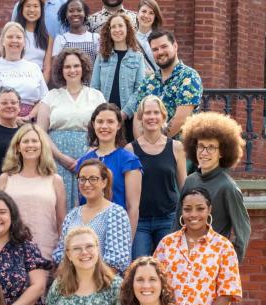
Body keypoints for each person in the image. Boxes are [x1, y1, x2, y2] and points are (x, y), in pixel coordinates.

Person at [173, 111, 251, 262]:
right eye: (201, 146)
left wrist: (228, 263)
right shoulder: (190, 181)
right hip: (185, 260)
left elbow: (243, 231)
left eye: (211, 147)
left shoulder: (228, 187)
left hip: (212, 262)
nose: (204, 152)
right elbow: (177, 221)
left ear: (222, 152)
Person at [37, 48, 105, 210]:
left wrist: (87, 155)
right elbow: (40, 131)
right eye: (67, 67)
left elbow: (103, 128)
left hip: (89, 157)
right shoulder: (51, 96)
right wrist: (60, 157)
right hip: (56, 159)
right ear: (61, 70)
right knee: (58, 203)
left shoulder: (96, 96)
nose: (72, 70)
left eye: (76, 66)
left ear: (83, 68)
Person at [126, 95, 186, 258]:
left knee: (168, 268)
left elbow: (184, 188)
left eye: (156, 113)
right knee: (139, 265)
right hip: (140, 221)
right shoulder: (130, 150)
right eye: (147, 113)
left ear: (163, 116)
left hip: (168, 218)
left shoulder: (176, 147)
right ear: (140, 117)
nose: (152, 117)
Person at [0, 124, 66, 262]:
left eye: (35, 141)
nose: (30, 145)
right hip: (10, 252)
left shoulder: (55, 180)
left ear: (42, 145)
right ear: (17, 147)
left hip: (46, 252)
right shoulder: (5, 178)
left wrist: (61, 255)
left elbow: (61, 222)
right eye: (25, 141)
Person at [53, 159, 132, 273]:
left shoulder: (116, 213)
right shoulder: (72, 215)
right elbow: (61, 253)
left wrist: (88, 283)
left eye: (93, 179)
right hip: (71, 283)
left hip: (103, 284)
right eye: (82, 179)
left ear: (104, 182)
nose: (86, 184)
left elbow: (116, 261)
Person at [77, 103, 142, 237]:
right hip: (87, 232)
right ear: (93, 124)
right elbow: (79, 202)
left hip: (116, 232)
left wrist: (127, 241)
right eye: (100, 121)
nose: (104, 126)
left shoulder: (129, 161)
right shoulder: (83, 161)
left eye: (110, 122)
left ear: (118, 125)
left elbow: (133, 207)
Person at [0, 22, 49, 127]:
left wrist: (28, 117)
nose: (14, 40)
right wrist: (7, 115)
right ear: (3, 41)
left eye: (18, 37)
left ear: (24, 43)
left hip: (27, 124)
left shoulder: (34, 68)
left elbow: (44, 99)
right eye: (9, 37)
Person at [134, 30, 203, 139]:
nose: (160, 52)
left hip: (179, 151)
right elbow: (138, 117)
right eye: (155, 49)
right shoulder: (148, 81)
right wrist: (142, 145)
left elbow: (180, 119)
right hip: (147, 150)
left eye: (164, 46)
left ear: (175, 46)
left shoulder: (189, 76)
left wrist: (157, 144)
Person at [91, 12, 145, 142]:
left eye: (120, 26)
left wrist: (125, 113)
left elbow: (140, 89)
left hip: (128, 119)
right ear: (109, 31)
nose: (117, 30)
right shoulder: (102, 56)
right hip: (105, 120)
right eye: (113, 27)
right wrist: (103, 112)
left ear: (127, 29)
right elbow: (94, 87)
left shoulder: (137, 57)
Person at [14, 0, 54, 82]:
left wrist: (39, 89)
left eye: (36, 6)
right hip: (14, 79)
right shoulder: (14, 33)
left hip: (37, 83)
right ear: (22, 9)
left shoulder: (47, 38)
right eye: (28, 6)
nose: (32, 10)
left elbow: (47, 70)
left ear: (41, 10)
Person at [52, 0, 100, 68]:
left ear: (85, 13)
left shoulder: (95, 38)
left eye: (79, 10)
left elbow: (101, 66)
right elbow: (55, 68)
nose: (75, 14)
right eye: (71, 11)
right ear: (66, 15)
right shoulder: (60, 39)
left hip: (91, 78)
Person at [135, 0, 163, 73]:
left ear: (155, 18)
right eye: (144, 11)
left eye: (151, 13)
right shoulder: (129, 39)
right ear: (137, 14)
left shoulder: (160, 39)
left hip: (156, 82)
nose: (146, 16)